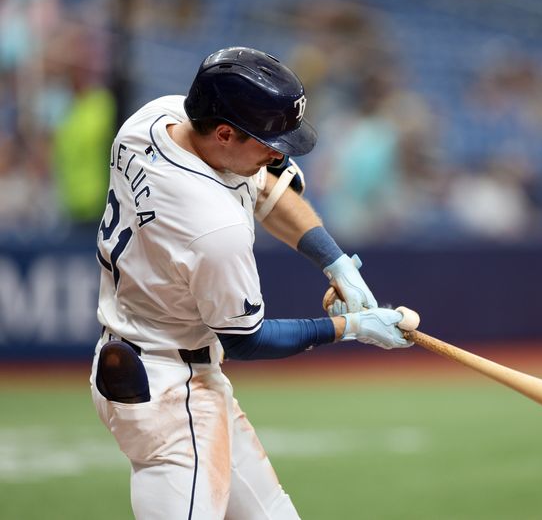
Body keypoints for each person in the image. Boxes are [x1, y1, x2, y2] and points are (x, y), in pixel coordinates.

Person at [90, 46, 413, 520]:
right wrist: (353, 328)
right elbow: (246, 339)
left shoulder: (152, 120)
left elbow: (266, 188)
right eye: (267, 142)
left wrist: (336, 262)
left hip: (160, 361)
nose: (275, 154)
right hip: (172, 395)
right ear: (224, 133)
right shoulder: (212, 227)